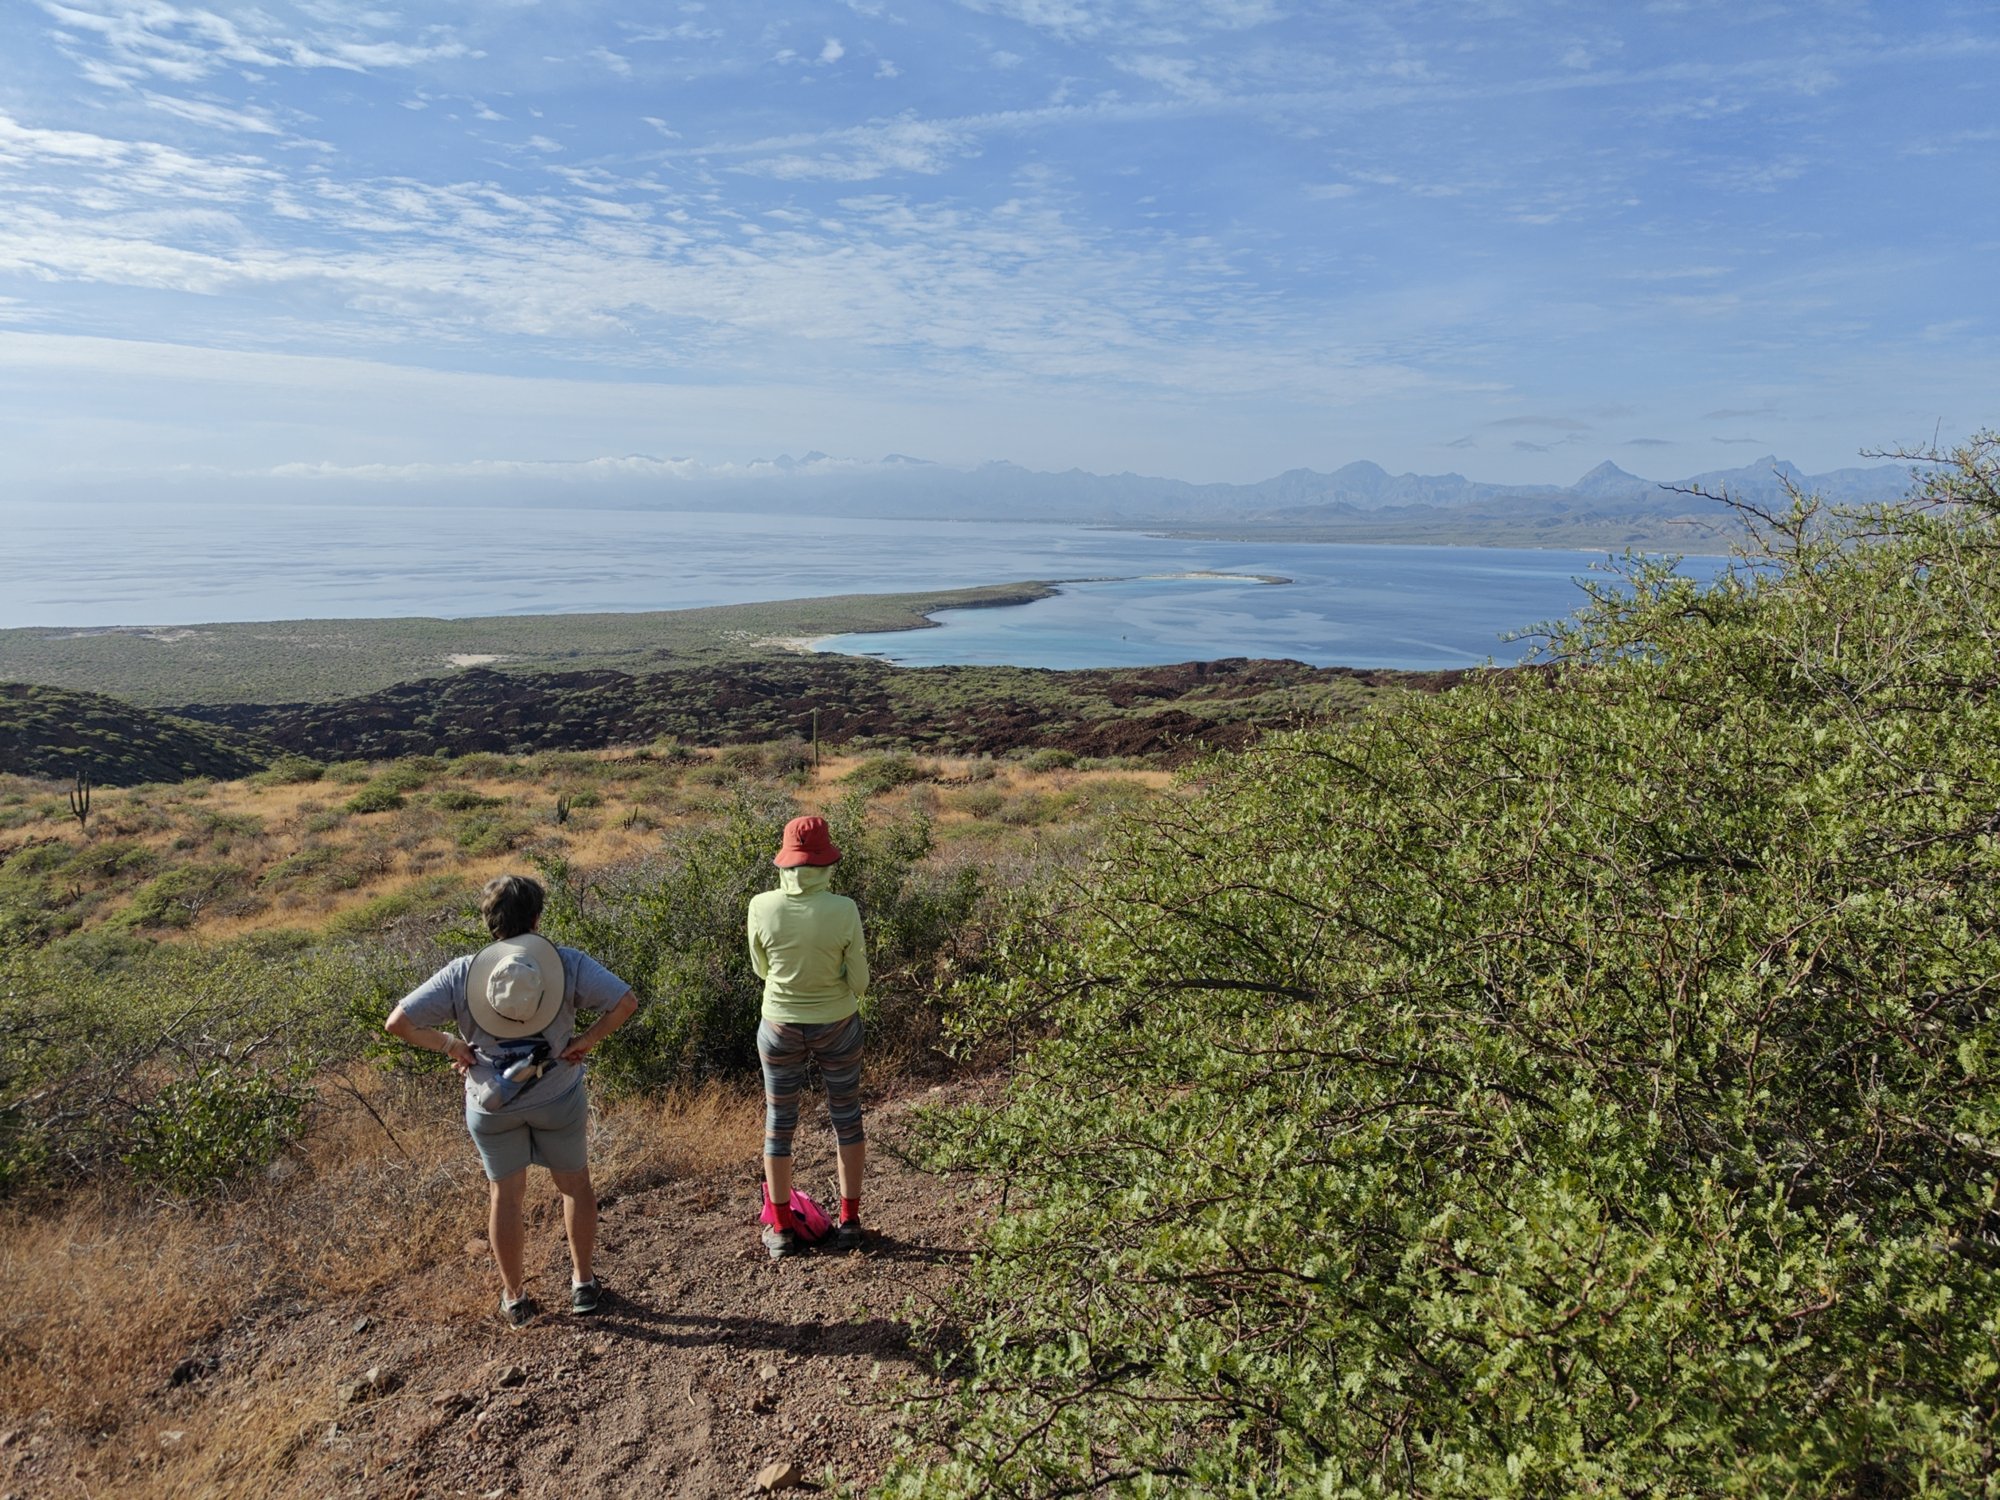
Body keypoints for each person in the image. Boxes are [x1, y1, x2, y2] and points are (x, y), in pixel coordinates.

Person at [385, 873, 638, 1327]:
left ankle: (515, 1298)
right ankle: (583, 1284)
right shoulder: (565, 963)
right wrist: (584, 1041)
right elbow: (625, 1002)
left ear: (490, 921)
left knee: (505, 1196)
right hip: (557, 1097)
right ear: (537, 918)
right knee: (575, 1185)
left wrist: (451, 1046)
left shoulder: (463, 973)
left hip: (491, 1105)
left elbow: (398, 1023)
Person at [749, 815, 870, 1258]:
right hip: (837, 1023)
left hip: (779, 1025)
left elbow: (761, 969)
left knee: (779, 1124)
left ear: (786, 861)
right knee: (847, 1118)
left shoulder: (761, 905)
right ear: (826, 861)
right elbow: (860, 983)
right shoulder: (844, 909)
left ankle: (781, 1229)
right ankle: (849, 1222)